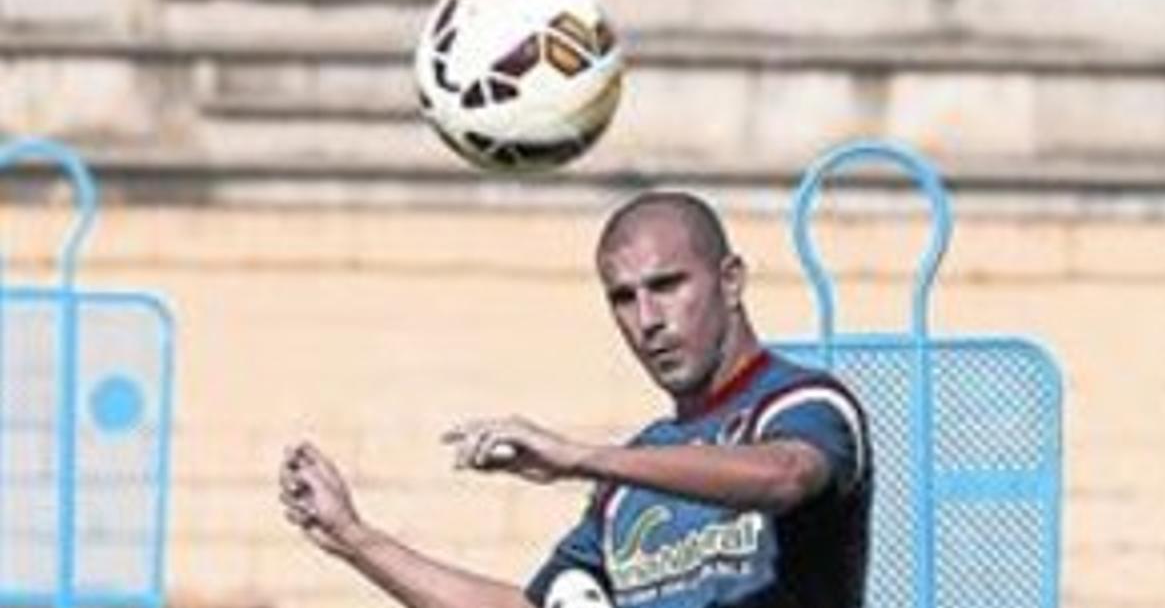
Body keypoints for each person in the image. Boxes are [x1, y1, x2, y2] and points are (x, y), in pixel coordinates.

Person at [279, 191, 872, 608]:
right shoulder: (630, 482)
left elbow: (787, 475)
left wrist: (579, 458)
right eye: (623, 297)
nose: (648, 320)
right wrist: (355, 539)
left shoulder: (800, 404)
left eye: (667, 286)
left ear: (731, 280)